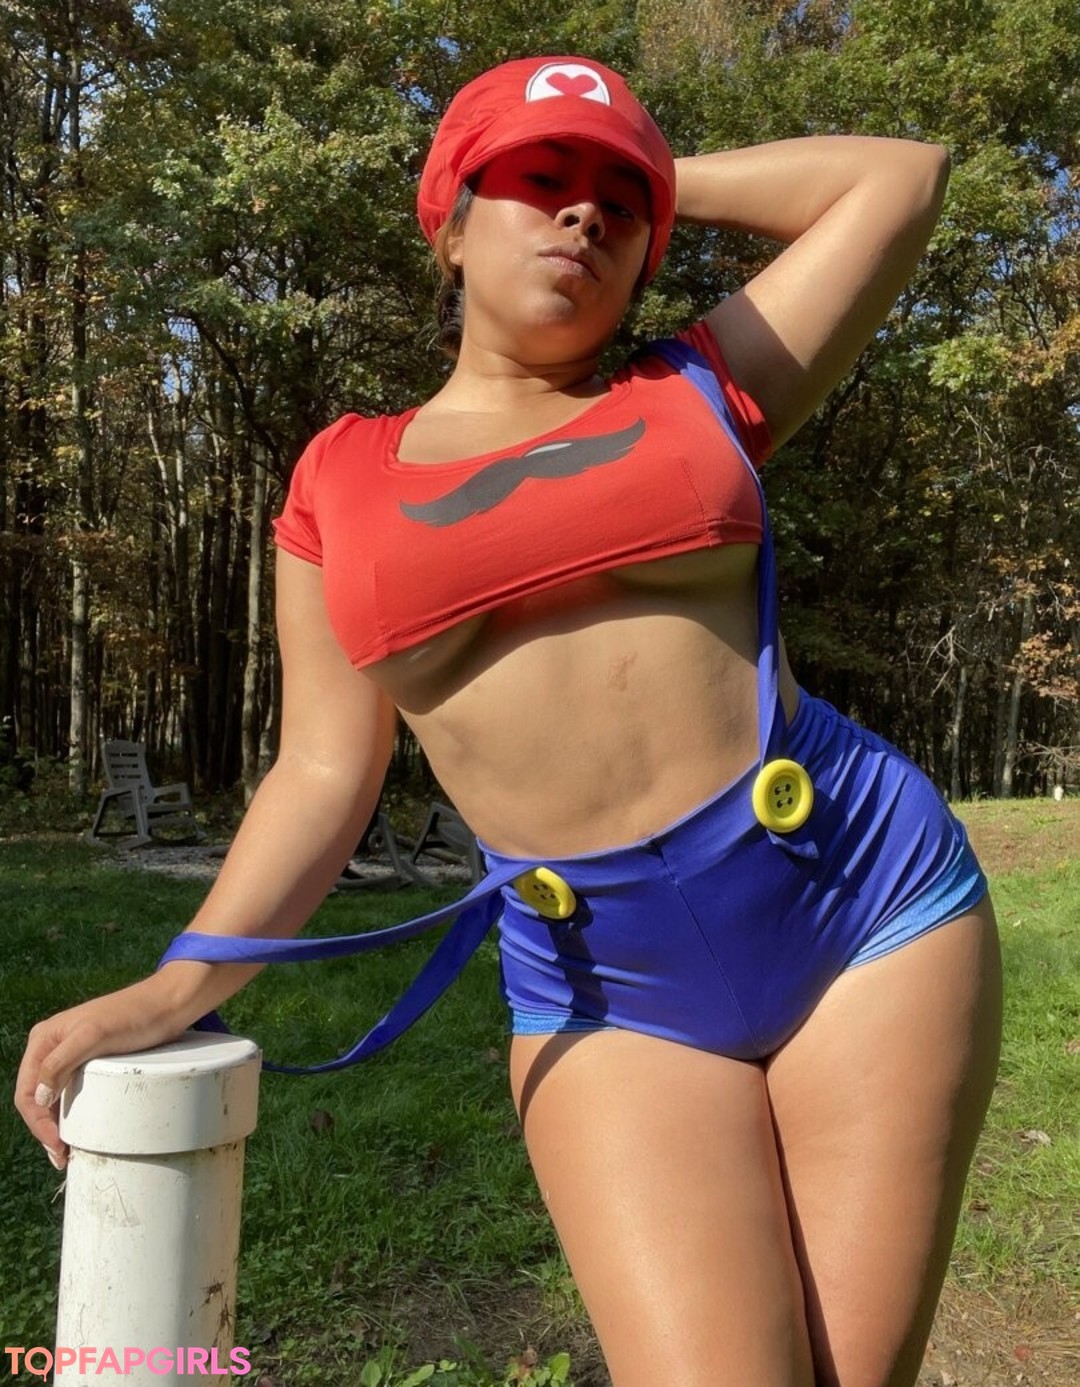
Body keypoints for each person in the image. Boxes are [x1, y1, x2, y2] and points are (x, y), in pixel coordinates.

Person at [17, 55, 1002, 1387]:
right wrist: (182, 981)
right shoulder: (339, 478)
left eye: (617, 204)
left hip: (865, 907)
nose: (583, 212)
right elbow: (324, 771)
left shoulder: (700, 384)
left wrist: (653, 177)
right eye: (540, 180)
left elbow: (901, 177)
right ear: (451, 222)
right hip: (607, 984)